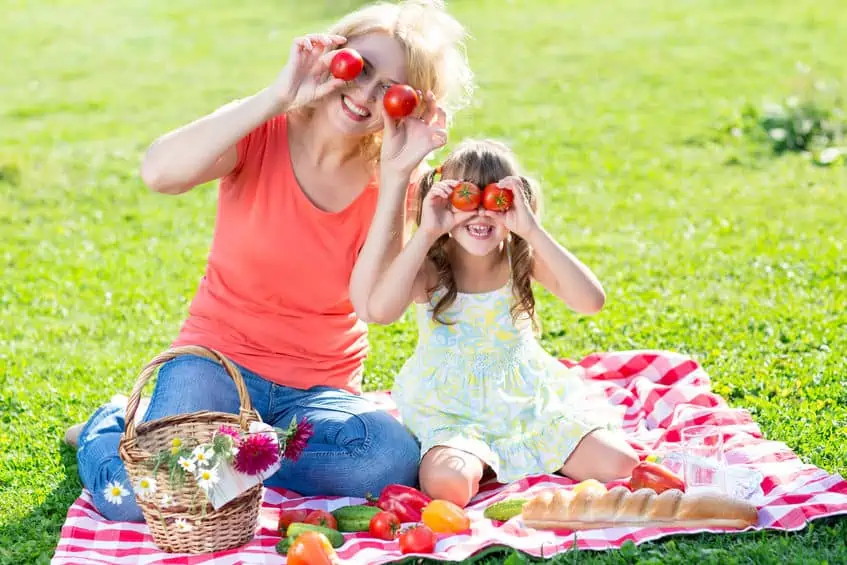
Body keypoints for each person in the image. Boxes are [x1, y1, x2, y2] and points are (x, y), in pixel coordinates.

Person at [67, 0, 474, 521]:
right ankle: (109, 425)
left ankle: (232, 456)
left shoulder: (396, 175)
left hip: (316, 394)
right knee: (141, 498)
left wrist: (397, 180)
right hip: (214, 363)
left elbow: (373, 306)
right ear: (332, 55)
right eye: (359, 68)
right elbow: (159, 174)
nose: (366, 94)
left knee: (388, 458)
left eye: (391, 91)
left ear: (410, 107)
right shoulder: (264, 130)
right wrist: (277, 95)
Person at [357, 139, 639, 507]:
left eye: (494, 200)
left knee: (621, 465)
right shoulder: (431, 266)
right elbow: (380, 311)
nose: (480, 215)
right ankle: (490, 459)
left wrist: (532, 230)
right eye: (465, 200)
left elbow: (591, 301)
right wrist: (426, 233)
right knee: (449, 485)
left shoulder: (521, 257)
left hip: (526, 404)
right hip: (453, 409)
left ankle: (506, 458)